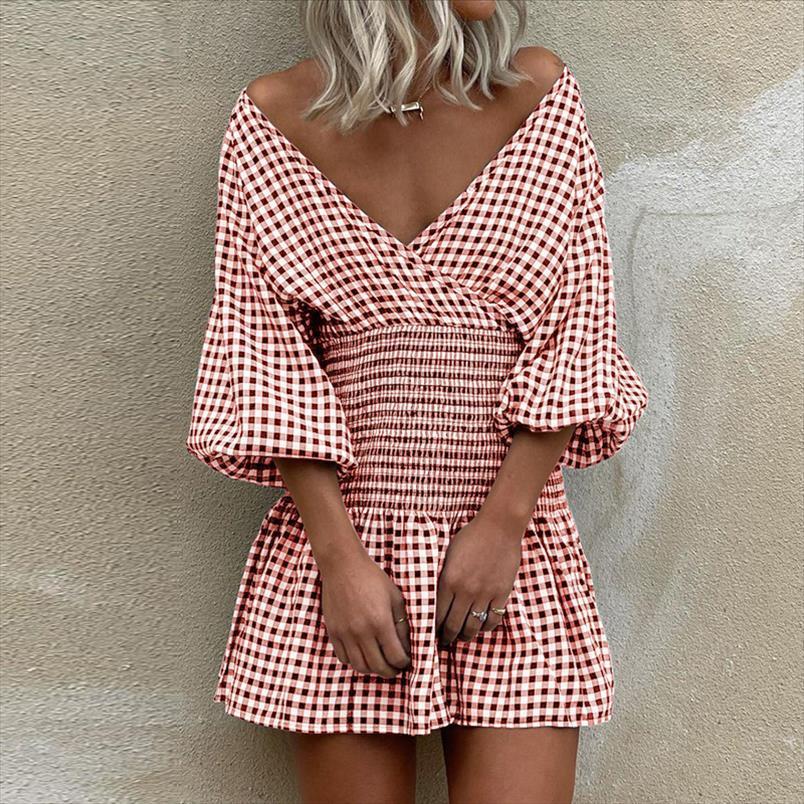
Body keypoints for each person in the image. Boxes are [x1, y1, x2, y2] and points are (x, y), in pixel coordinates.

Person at [185, 1, 649, 801]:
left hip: (513, 546)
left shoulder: (539, 95)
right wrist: (339, 563)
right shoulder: (272, 118)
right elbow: (266, 360)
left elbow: (575, 329)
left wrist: (504, 527)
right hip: (343, 556)